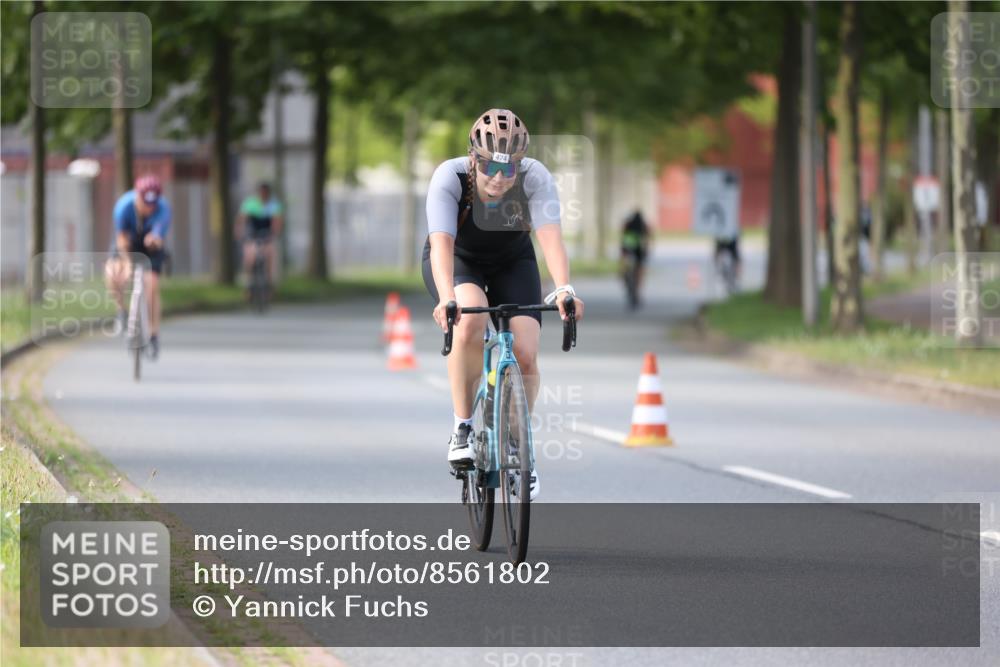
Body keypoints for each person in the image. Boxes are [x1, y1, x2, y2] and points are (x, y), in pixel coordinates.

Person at [423, 108, 584, 500]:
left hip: (513, 261)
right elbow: (442, 244)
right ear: (473, 159)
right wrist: (447, 297)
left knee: (526, 352)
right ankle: (462, 427)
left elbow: (550, 238)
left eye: (508, 169)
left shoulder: (535, 177)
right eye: (490, 168)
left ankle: (518, 447)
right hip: (459, 262)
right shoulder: (450, 177)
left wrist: (563, 288)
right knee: (471, 322)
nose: (499, 178)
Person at [104, 174, 171, 359]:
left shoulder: (163, 208)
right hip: (128, 242)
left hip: (150, 245)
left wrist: (155, 239)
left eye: (153, 204)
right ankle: (121, 311)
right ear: (137, 197)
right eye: (145, 203)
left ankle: (153, 334)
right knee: (113, 272)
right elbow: (122, 239)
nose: (150, 208)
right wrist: (127, 263)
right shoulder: (123, 207)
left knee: (152, 285)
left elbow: (159, 231)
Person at [236, 181, 284, 293]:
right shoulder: (250, 204)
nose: (263, 195)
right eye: (261, 193)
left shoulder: (274, 205)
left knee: (271, 255)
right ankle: (248, 285)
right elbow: (242, 219)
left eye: (265, 193)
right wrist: (240, 232)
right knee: (249, 257)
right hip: (252, 235)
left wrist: (275, 233)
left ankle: (270, 284)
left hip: (267, 235)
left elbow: (277, 222)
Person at [620, 209, 651, 303]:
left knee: (625, 266)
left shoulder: (628, 224)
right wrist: (647, 250)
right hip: (639, 249)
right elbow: (648, 238)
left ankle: (625, 278)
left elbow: (622, 237)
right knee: (639, 269)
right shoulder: (644, 225)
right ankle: (637, 287)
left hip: (628, 246)